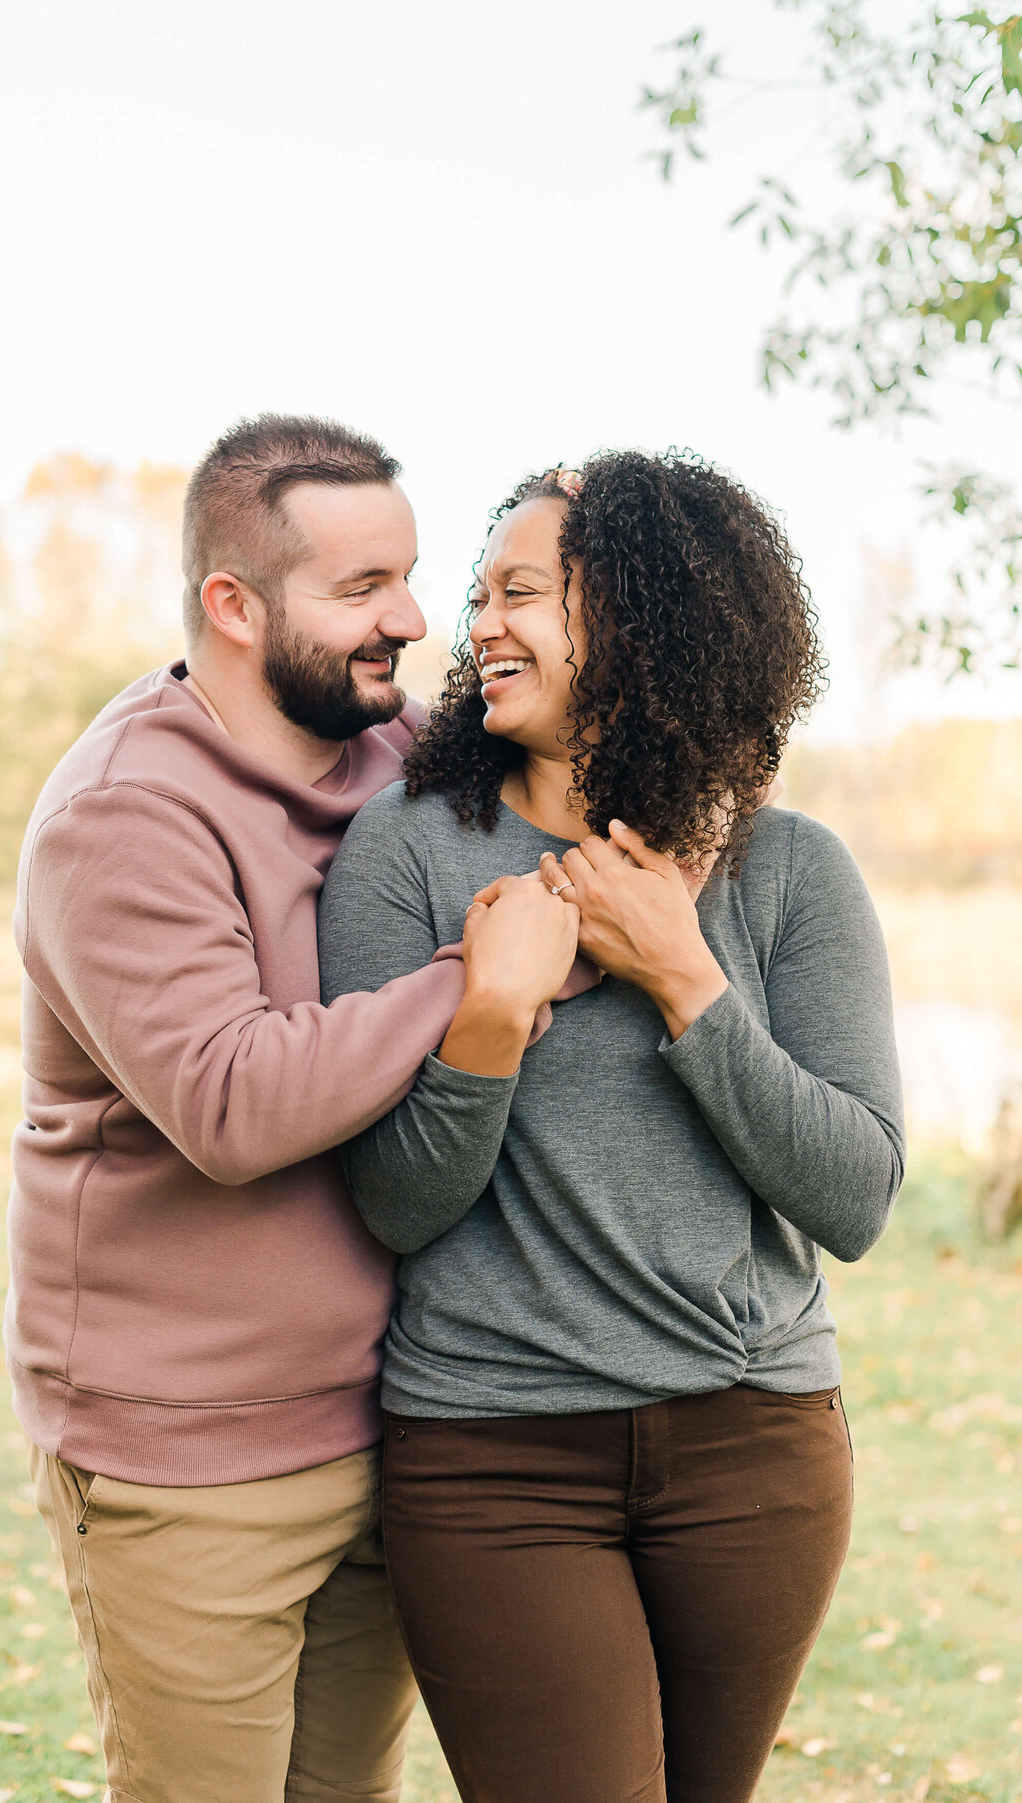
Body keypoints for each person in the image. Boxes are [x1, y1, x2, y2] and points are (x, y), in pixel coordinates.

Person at [319, 451, 907, 1803]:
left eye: (521, 591)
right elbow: (396, 1208)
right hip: (494, 1458)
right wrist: (486, 1021)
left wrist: (681, 973)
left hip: (757, 1451)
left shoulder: (793, 871)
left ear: (643, 619)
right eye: (480, 595)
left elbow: (859, 1198)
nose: (477, 627)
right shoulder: (409, 851)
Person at [8, 415, 572, 1803]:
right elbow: (232, 1102)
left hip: (389, 1416)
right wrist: (472, 979)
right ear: (234, 606)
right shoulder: (125, 813)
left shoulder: (403, 755)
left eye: (414, 575)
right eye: (362, 589)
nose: (413, 620)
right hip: (188, 1458)